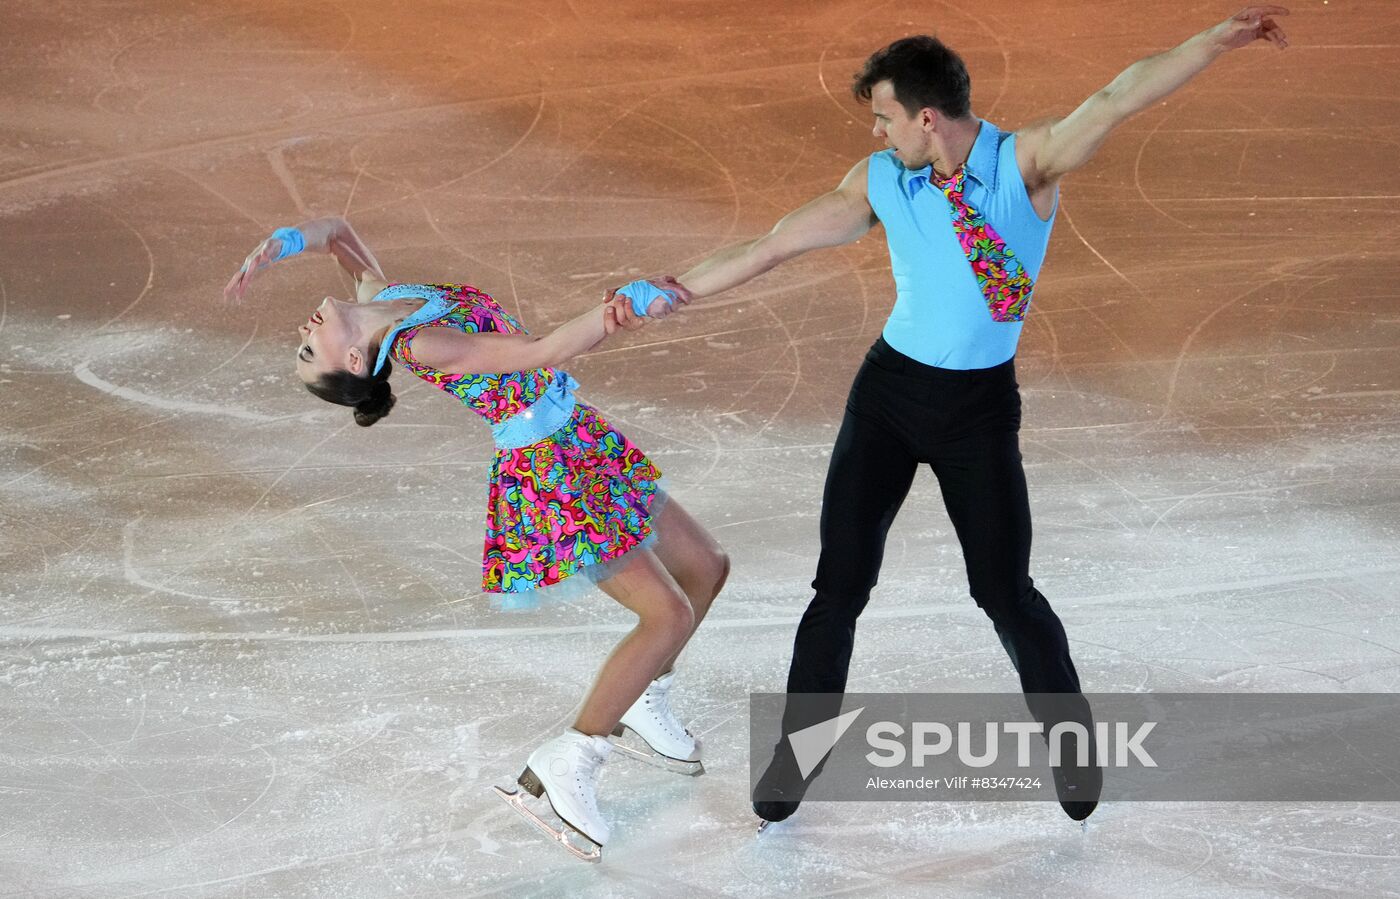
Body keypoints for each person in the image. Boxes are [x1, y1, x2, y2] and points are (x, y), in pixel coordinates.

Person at [604, 6, 1290, 828]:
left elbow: (1114, 99)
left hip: (976, 411)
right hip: (888, 398)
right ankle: (798, 756)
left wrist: (1212, 42)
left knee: (1005, 590)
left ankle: (1072, 751)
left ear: (927, 117)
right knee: (838, 588)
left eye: (885, 118)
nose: (879, 132)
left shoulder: (1022, 165)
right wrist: (671, 290)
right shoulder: (882, 180)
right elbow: (772, 245)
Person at [224, 217, 730, 861]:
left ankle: (642, 695)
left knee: (707, 567)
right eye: (307, 352)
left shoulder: (385, 298)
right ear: (356, 361)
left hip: (579, 436)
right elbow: (537, 352)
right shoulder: (417, 346)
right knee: (667, 615)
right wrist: (616, 310)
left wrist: (280, 246)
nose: (301, 333)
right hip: (552, 471)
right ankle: (568, 761)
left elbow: (339, 235)